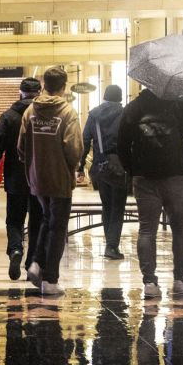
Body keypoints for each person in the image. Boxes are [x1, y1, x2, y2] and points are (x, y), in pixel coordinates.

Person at [114, 85, 183, 298]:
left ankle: (150, 284)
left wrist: (134, 170)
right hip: (177, 176)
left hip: (144, 178)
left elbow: (121, 146)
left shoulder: (134, 107)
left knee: (147, 230)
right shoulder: (180, 105)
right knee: (181, 229)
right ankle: (180, 280)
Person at [17, 66, 82, 296]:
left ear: (44, 84)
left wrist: (34, 163)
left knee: (46, 218)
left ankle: (35, 262)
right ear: (63, 87)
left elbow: (21, 147)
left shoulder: (30, 111)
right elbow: (74, 149)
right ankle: (50, 280)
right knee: (58, 227)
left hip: (37, 178)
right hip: (60, 178)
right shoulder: (68, 112)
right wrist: (72, 168)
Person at [0, 78, 41, 281]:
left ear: (20, 93)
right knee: (37, 220)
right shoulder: (44, 116)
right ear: (39, 92)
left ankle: (15, 249)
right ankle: (32, 263)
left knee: (14, 220)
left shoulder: (8, 117)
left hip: (15, 177)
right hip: (40, 177)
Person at [77, 84, 128, 259]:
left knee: (107, 206)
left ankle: (110, 243)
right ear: (120, 98)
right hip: (120, 166)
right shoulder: (125, 114)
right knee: (117, 207)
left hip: (100, 166)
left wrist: (80, 166)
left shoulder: (94, 115)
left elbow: (84, 141)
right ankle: (112, 246)